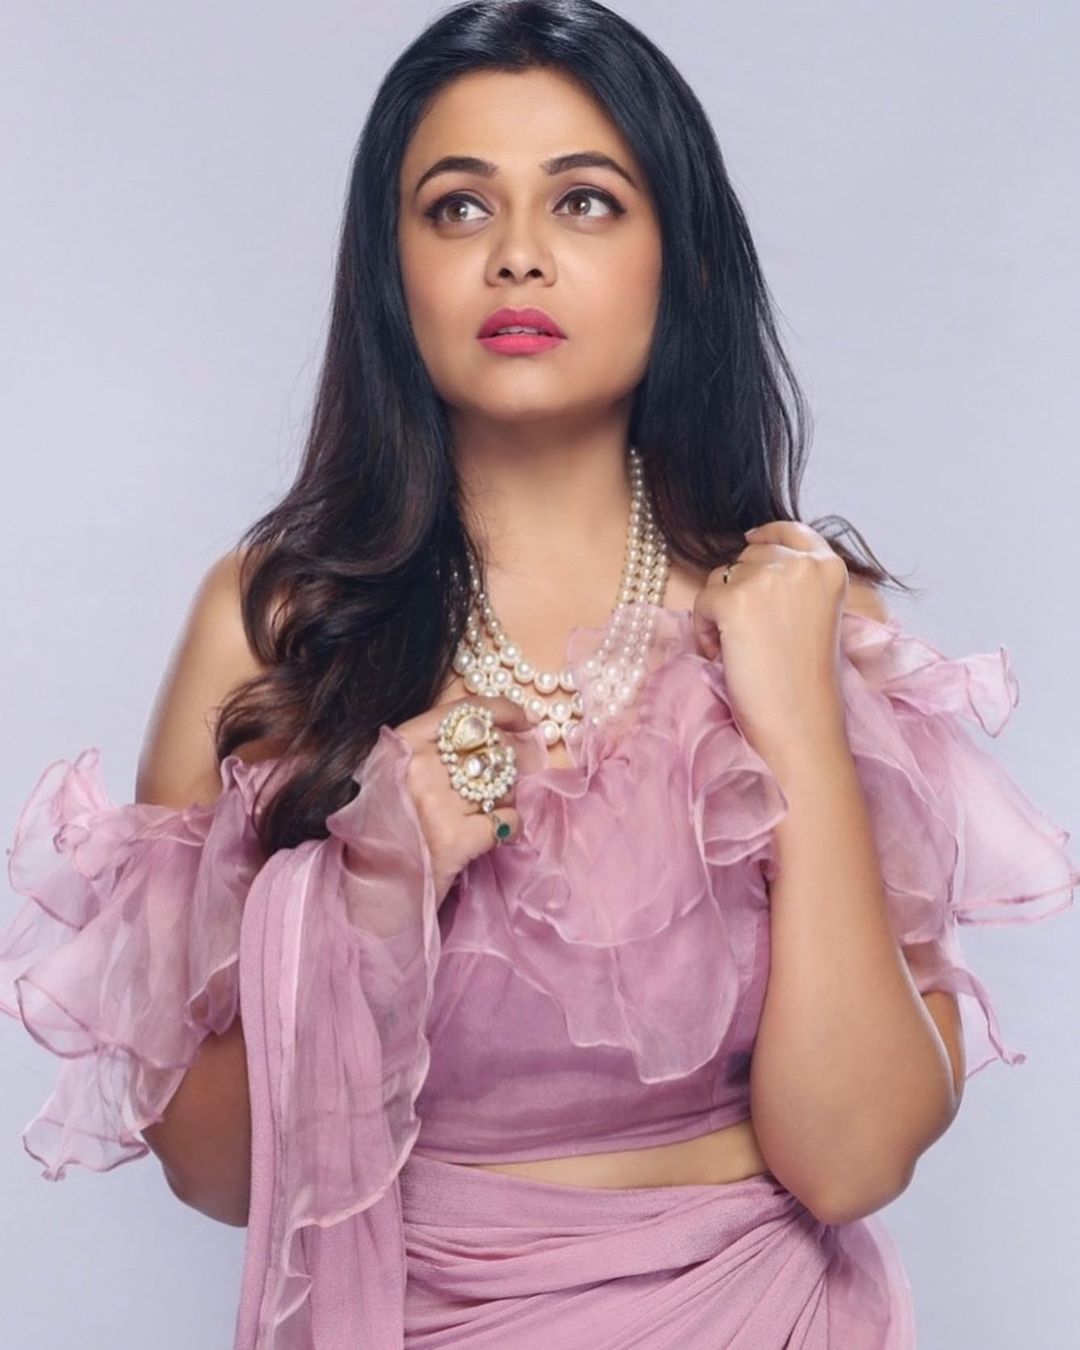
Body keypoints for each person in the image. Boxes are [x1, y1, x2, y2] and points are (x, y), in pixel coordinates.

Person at [2, 2, 1076, 1346]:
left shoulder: (805, 614)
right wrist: (375, 894)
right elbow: (216, 1175)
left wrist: (797, 720)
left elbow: (853, 1159)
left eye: (584, 202)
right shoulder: (278, 625)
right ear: (391, 268)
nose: (517, 254)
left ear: (679, 257)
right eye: (458, 208)